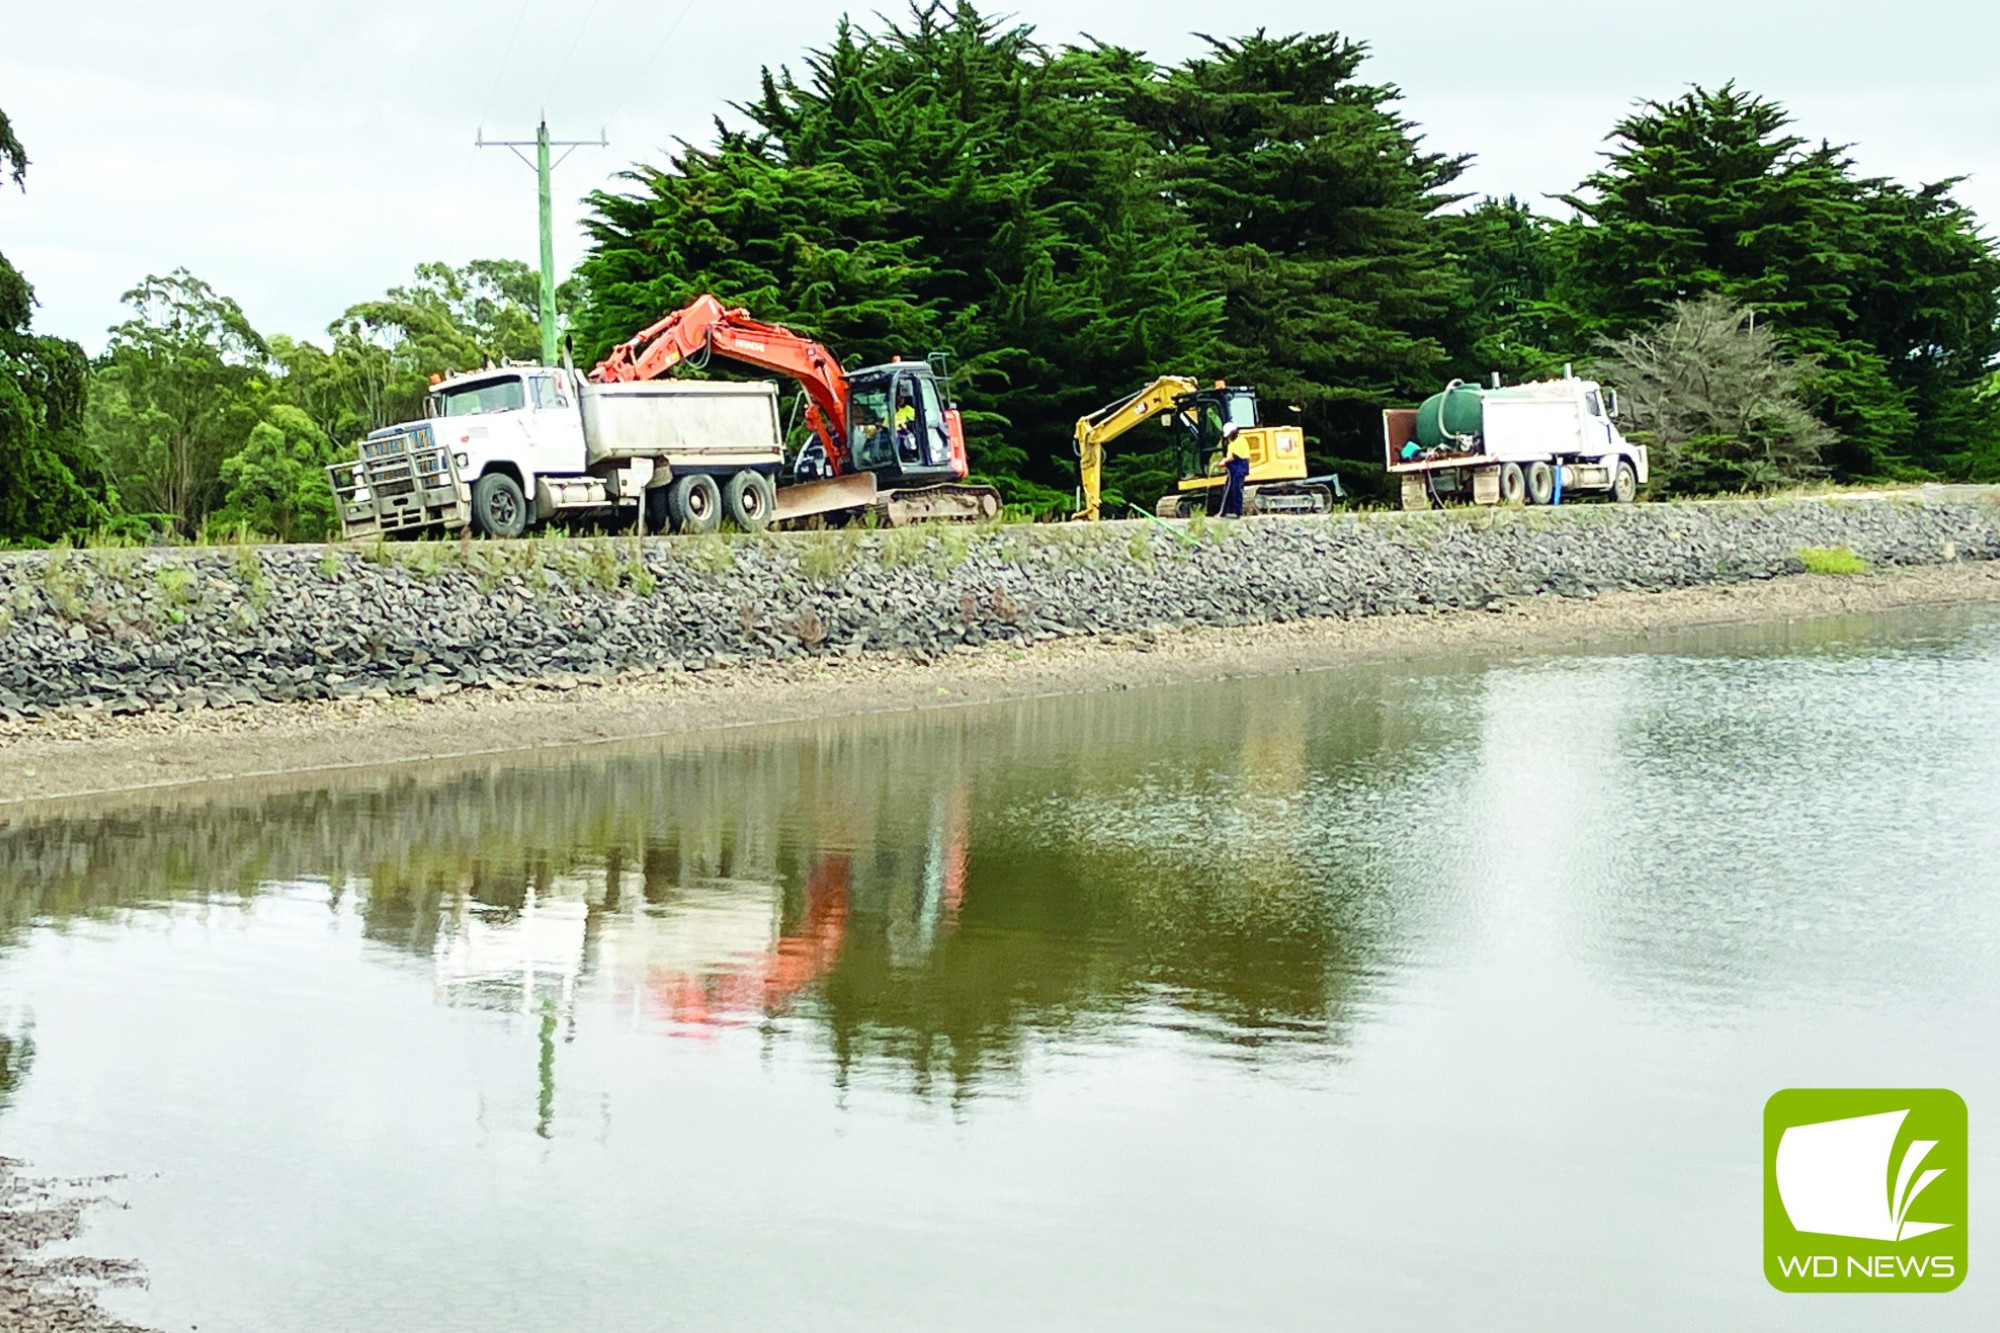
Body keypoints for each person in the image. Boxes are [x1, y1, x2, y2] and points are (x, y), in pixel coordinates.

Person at [1219, 424, 1251, 517]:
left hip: (1239, 467)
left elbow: (1234, 456)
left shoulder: (1240, 441)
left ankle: (1237, 512)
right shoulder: (1232, 443)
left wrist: (1224, 461)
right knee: (1228, 489)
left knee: (1236, 489)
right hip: (1233, 469)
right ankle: (1228, 511)